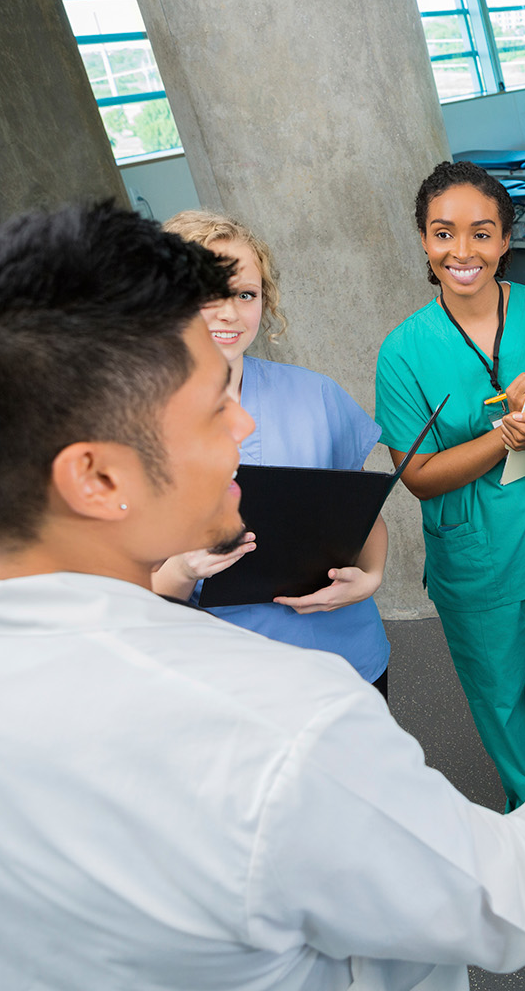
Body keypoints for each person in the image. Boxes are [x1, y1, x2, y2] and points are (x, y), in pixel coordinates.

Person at [0, 202, 525, 991]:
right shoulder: (285, 728)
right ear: (98, 476)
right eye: (215, 408)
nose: (245, 426)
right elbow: (512, 897)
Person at [375, 161, 525, 811]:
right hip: (476, 560)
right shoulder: (403, 351)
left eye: (481, 233)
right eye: (443, 233)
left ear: (505, 240)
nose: (463, 251)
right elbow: (418, 477)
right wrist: (505, 434)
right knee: (499, 702)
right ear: (424, 241)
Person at [151, 211, 391, 696]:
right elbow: (126, 599)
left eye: (245, 294)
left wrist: (371, 577)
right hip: (236, 678)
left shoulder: (316, 395)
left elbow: (360, 515)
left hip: (346, 656)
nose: (229, 313)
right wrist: (182, 569)